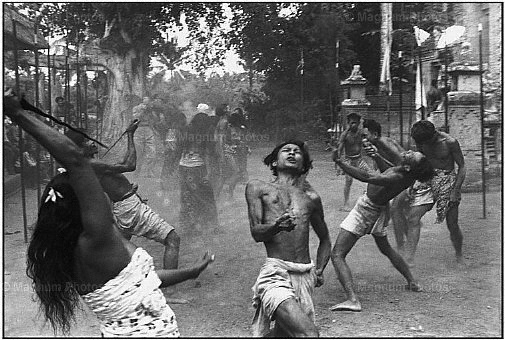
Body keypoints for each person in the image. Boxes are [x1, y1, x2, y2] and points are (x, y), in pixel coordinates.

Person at [4, 91, 214, 336]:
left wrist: (192, 271)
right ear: (83, 204)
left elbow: (142, 280)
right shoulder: (98, 238)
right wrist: (17, 114)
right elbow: (77, 162)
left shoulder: (76, 248)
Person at [246, 140, 332, 337]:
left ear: (303, 165)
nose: (292, 153)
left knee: (284, 335)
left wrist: (318, 269)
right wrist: (276, 227)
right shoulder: (258, 188)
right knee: (309, 334)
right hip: (275, 273)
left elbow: (325, 239)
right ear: (274, 162)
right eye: (286, 150)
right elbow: (256, 232)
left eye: (297, 152)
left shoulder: (311, 198)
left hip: (304, 276)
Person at [330, 148, 433, 312]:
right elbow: (387, 170)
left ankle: (352, 299)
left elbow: (368, 177)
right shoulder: (403, 172)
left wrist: (340, 162)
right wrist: (376, 156)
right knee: (386, 249)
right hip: (379, 210)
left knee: (337, 254)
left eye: (411, 155)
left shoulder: (398, 176)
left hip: (366, 210)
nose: (408, 151)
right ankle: (412, 281)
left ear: (408, 167)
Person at [410, 120, 466, 264]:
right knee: (413, 218)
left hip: (447, 180)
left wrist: (456, 191)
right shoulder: (421, 141)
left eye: (425, 142)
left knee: (452, 224)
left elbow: (462, 166)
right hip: (427, 178)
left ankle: (459, 254)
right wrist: (413, 183)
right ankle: (409, 257)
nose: (423, 145)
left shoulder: (450, 142)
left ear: (433, 135)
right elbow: (420, 162)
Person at [176, 107, 219, 231]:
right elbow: (209, 155)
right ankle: (210, 225)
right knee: (206, 197)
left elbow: (179, 150)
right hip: (198, 169)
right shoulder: (205, 136)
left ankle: (189, 225)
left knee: (187, 196)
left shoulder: (187, 133)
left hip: (183, 167)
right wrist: (209, 172)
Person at [335, 112, 375, 211]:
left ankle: (370, 199)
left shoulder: (361, 133)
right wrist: (338, 163)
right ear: (348, 123)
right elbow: (339, 149)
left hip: (359, 159)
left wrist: (372, 153)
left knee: (371, 176)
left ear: (358, 123)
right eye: (352, 123)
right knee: (348, 181)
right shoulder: (345, 134)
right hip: (349, 160)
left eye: (356, 123)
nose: (354, 125)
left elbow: (369, 143)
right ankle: (346, 203)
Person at [132, 96, 157, 177]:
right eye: (145, 100)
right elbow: (135, 118)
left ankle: (150, 172)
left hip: (149, 130)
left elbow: (156, 119)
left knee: (152, 152)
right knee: (139, 153)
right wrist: (142, 110)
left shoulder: (151, 109)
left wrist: (151, 112)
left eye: (148, 100)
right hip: (139, 130)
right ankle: (136, 171)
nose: (146, 102)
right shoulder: (136, 108)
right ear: (142, 101)